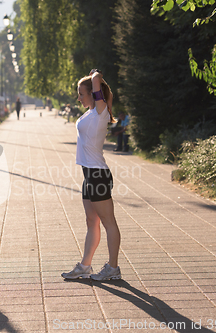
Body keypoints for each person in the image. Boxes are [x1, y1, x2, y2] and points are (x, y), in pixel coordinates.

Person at [61, 69, 122, 281]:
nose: (78, 97)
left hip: (98, 175)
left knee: (108, 222)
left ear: (94, 94)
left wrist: (95, 75)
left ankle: (113, 268)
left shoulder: (100, 111)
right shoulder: (91, 113)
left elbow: (97, 81)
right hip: (89, 175)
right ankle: (85, 266)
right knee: (91, 221)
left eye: (81, 93)